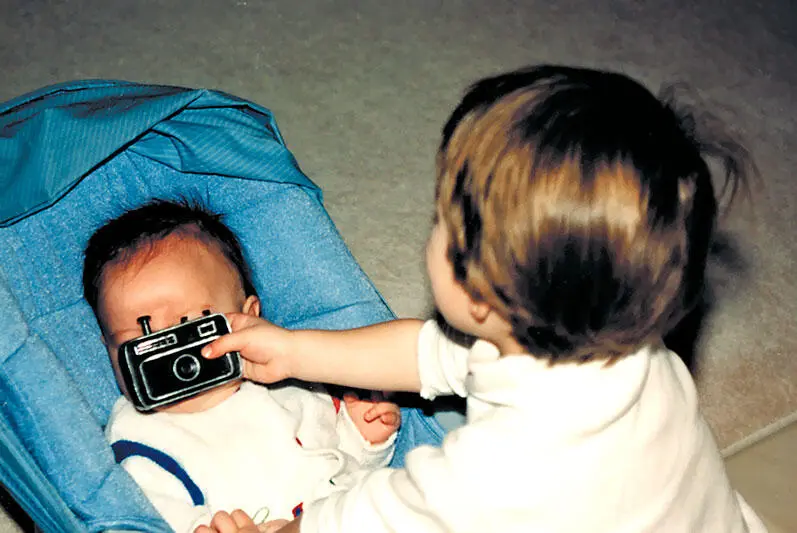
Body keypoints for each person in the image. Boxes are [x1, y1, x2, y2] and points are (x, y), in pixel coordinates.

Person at [196, 65, 768, 533]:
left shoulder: (498, 472)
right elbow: (424, 353)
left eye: (441, 219)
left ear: (477, 295)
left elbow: (370, 519)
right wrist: (296, 352)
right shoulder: (617, 342)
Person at [82, 199, 402, 533]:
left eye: (189, 326)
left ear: (249, 319)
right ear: (110, 348)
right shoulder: (141, 440)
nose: (172, 357)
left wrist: (365, 438)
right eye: (141, 338)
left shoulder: (292, 378)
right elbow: (147, 519)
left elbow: (347, 470)